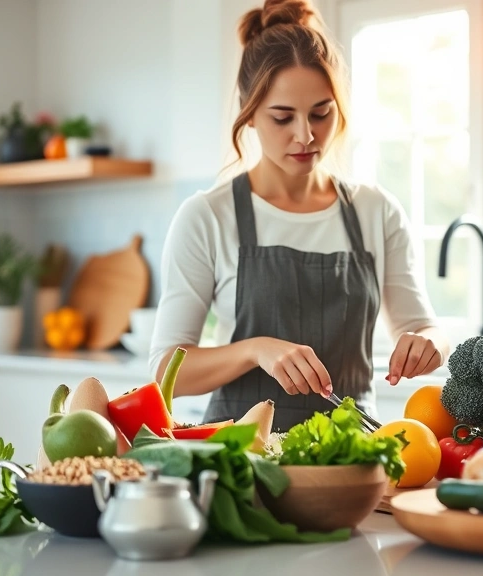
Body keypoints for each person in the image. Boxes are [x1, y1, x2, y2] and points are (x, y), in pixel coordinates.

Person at [148, 0, 448, 432]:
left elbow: (426, 327)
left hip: (352, 456)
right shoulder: (207, 216)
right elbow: (164, 371)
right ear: (249, 115)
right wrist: (257, 350)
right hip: (240, 458)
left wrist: (428, 344)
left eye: (321, 113)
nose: (306, 135)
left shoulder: (375, 211)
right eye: (283, 117)